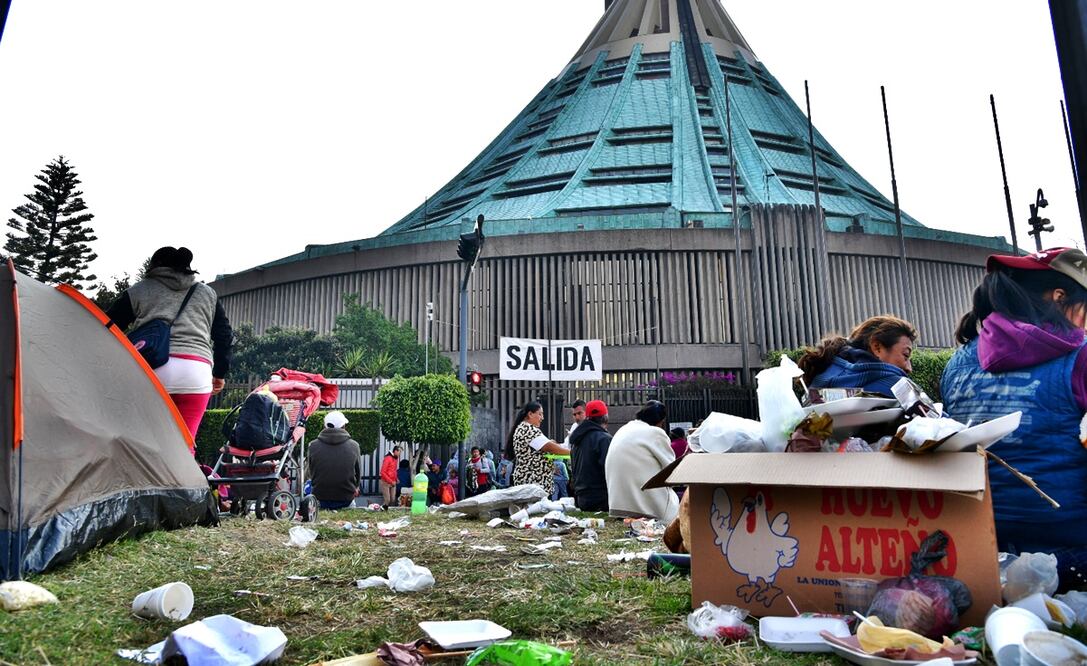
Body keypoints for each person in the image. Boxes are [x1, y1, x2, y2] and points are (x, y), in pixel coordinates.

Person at [941, 247, 1087, 592]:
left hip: (983, 545)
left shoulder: (957, 363)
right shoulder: (1080, 356)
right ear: (1059, 296)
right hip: (1072, 547)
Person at [105, 246, 232, 443]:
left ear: (154, 266)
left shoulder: (139, 290)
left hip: (152, 368)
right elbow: (224, 336)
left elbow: (108, 327)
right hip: (196, 372)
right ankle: (183, 471)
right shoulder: (207, 293)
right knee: (184, 444)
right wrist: (220, 373)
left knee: (144, 443)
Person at [797, 316, 918, 397]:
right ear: (877, 348)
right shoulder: (898, 387)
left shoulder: (820, 381)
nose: (909, 368)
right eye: (905, 355)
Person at [605, 400, 679, 523]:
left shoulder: (624, 429)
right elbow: (673, 471)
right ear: (660, 421)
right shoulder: (655, 433)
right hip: (645, 508)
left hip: (617, 505)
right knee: (675, 506)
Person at [506, 401, 570, 495]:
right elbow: (550, 448)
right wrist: (573, 452)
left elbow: (546, 445)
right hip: (533, 482)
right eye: (540, 414)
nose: (542, 418)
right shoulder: (528, 430)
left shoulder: (524, 428)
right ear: (530, 414)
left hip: (531, 481)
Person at [305, 411, 361, 510]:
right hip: (346, 499)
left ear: (325, 426)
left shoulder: (313, 446)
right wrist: (355, 487)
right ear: (343, 426)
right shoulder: (354, 446)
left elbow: (310, 472)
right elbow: (358, 474)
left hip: (319, 498)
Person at [569, 399, 611, 511]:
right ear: (606, 416)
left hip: (581, 499)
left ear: (587, 417)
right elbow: (609, 470)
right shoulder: (604, 439)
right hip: (601, 499)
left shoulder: (577, 439)